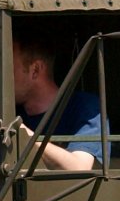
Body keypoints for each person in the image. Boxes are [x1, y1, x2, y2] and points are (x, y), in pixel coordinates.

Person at [9, 31, 101, 172]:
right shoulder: (10, 111)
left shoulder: (84, 108)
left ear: (35, 70)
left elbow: (79, 168)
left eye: (9, 69)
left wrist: (20, 132)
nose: (1, 79)